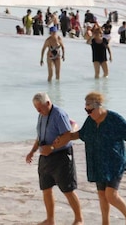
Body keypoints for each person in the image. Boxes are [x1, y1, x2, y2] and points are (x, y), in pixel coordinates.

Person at [53, 92, 126, 225]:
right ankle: (105, 222)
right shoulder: (90, 121)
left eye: (90, 110)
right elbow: (79, 135)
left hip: (114, 162)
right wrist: (62, 138)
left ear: (98, 106)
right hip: (97, 163)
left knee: (111, 195)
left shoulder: (113, 118)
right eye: (86, 110)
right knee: (102, 196)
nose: (88, 113)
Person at [26, 93, 83, 225]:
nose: (38, 111)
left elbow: (68, 135)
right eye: (36, 109)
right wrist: (32, 151)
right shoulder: (41, 114)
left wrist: (51, 147)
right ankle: (50, 219)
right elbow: (39, 136)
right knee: (46, 188)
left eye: (40, 108)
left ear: (48, 103)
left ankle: (79, 219)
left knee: (67, 189)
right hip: (45, 157)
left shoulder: (59, 114)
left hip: (61, 156)